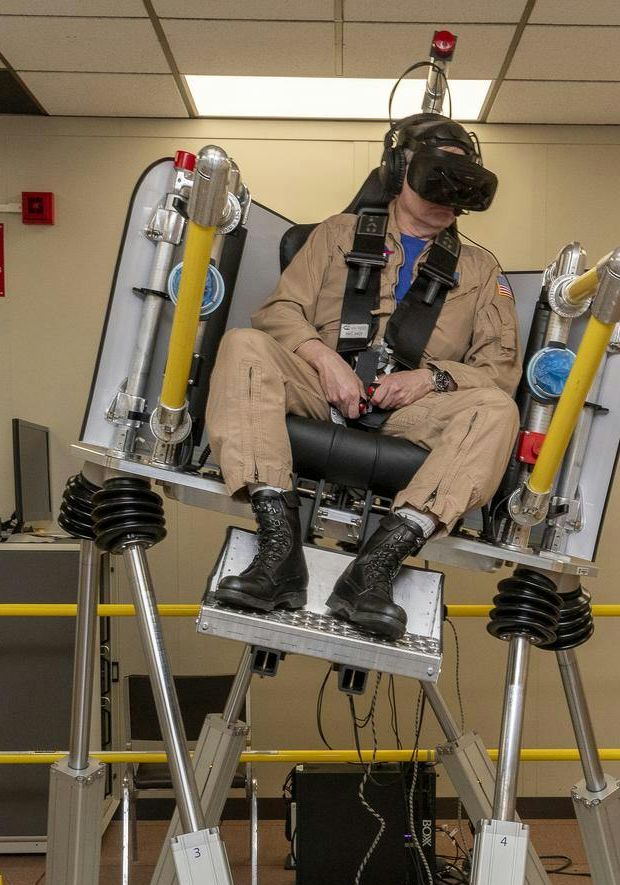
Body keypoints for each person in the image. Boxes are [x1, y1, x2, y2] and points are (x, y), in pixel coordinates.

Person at [204, 113, 521, 640]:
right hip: (318, 387)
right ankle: (279, 552)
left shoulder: (482, 271)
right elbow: (280, 310)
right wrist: (324, 360)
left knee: (496, 409)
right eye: (436, 177)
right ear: (398, 172)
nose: (447, 196)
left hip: (412, 411)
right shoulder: (336, 234)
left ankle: (374, 569)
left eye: (460, 184)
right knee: (244, 345)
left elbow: (498, 372)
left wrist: (431, 379)